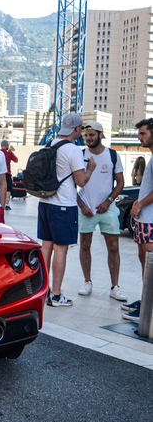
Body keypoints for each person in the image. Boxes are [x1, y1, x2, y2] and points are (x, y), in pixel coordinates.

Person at [37, 113, 96, 307]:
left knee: (46, 248)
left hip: (46, 203)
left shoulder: (51, 144)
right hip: (63, 206)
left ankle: (43, 291)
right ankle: (55, 295)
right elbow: (81, 181)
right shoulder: (73, 150)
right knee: (61, 250)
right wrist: (90, 169)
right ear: (77, 129)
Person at [76, 122, 127, 302]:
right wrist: (82, 205)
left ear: (101, 135)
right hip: (86, 209)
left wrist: (108, 201)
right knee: (85, 245)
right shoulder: (80, 155)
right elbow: (70, 185)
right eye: (86, 136)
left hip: (108, 209)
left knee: (113, 247)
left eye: (91, 135)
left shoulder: (112, 155)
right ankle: (87, 282)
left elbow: (120, 182)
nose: (88, 138)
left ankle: (115, 287)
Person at [124, 118, 153, 322]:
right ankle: (145, 301)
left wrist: (140, 204)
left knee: (150, 264)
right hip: (144, 220)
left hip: (150, 219)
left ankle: (148, 309)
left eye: (143, 133)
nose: (139, 137)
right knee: (144, 261)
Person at [0, 140, 18, 210]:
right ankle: (6, 204)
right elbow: (16, 160)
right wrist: (11, 152)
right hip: (7, 173)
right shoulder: (9, 153)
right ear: (6, 145)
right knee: (8, 189)